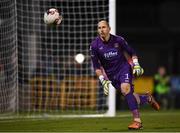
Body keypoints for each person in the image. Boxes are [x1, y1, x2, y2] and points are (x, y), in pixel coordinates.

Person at [90, 20, 160, 130]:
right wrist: (102, 80)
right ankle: (147, 99)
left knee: (125, 89)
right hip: (112, 76)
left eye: (104, 27)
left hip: (124, 69)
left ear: (109, 29)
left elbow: (132, 52)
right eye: (99, 28)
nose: (101, 30)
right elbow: (96, 67)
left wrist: (136, 65)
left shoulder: (118, 40)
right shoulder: (94, 45)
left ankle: (137, 121)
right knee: (131, 97)